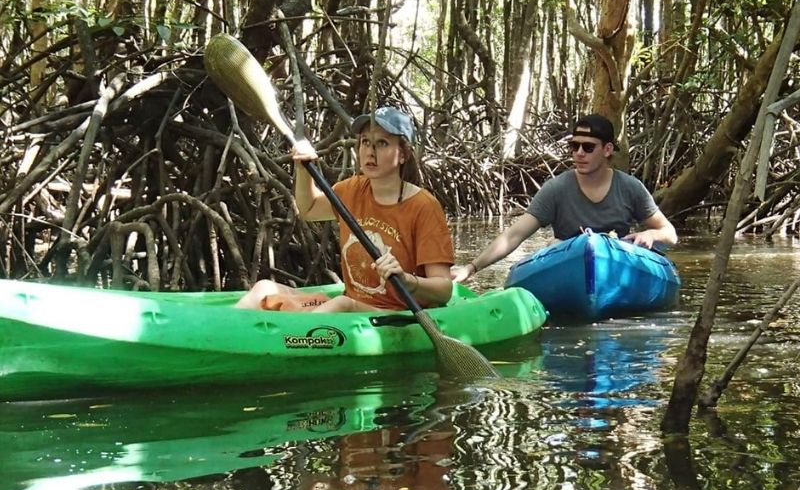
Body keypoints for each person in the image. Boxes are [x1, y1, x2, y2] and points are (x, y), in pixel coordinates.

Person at [236, 105, 455, 312]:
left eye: (382, 143)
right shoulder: (352, 189)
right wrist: (303, 168)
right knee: (265, 288)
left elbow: (444, 290)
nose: (370, 152)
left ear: (404, 155)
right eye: (365, 142)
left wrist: (407, 280)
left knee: (340, 304)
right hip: (351, 304)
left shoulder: (423, 206)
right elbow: (309, 209)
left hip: (395, 313)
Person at [452, 113, 677, 282]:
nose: (579, 153)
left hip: (617, 266)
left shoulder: (630, 187)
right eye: (574, 146)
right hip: (567, 266)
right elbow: (514, 235)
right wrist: (471, 268)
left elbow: (670, 235)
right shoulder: (556, 189)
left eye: (588, 147)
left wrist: (650, 233)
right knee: (556, 244)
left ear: (607, 150)